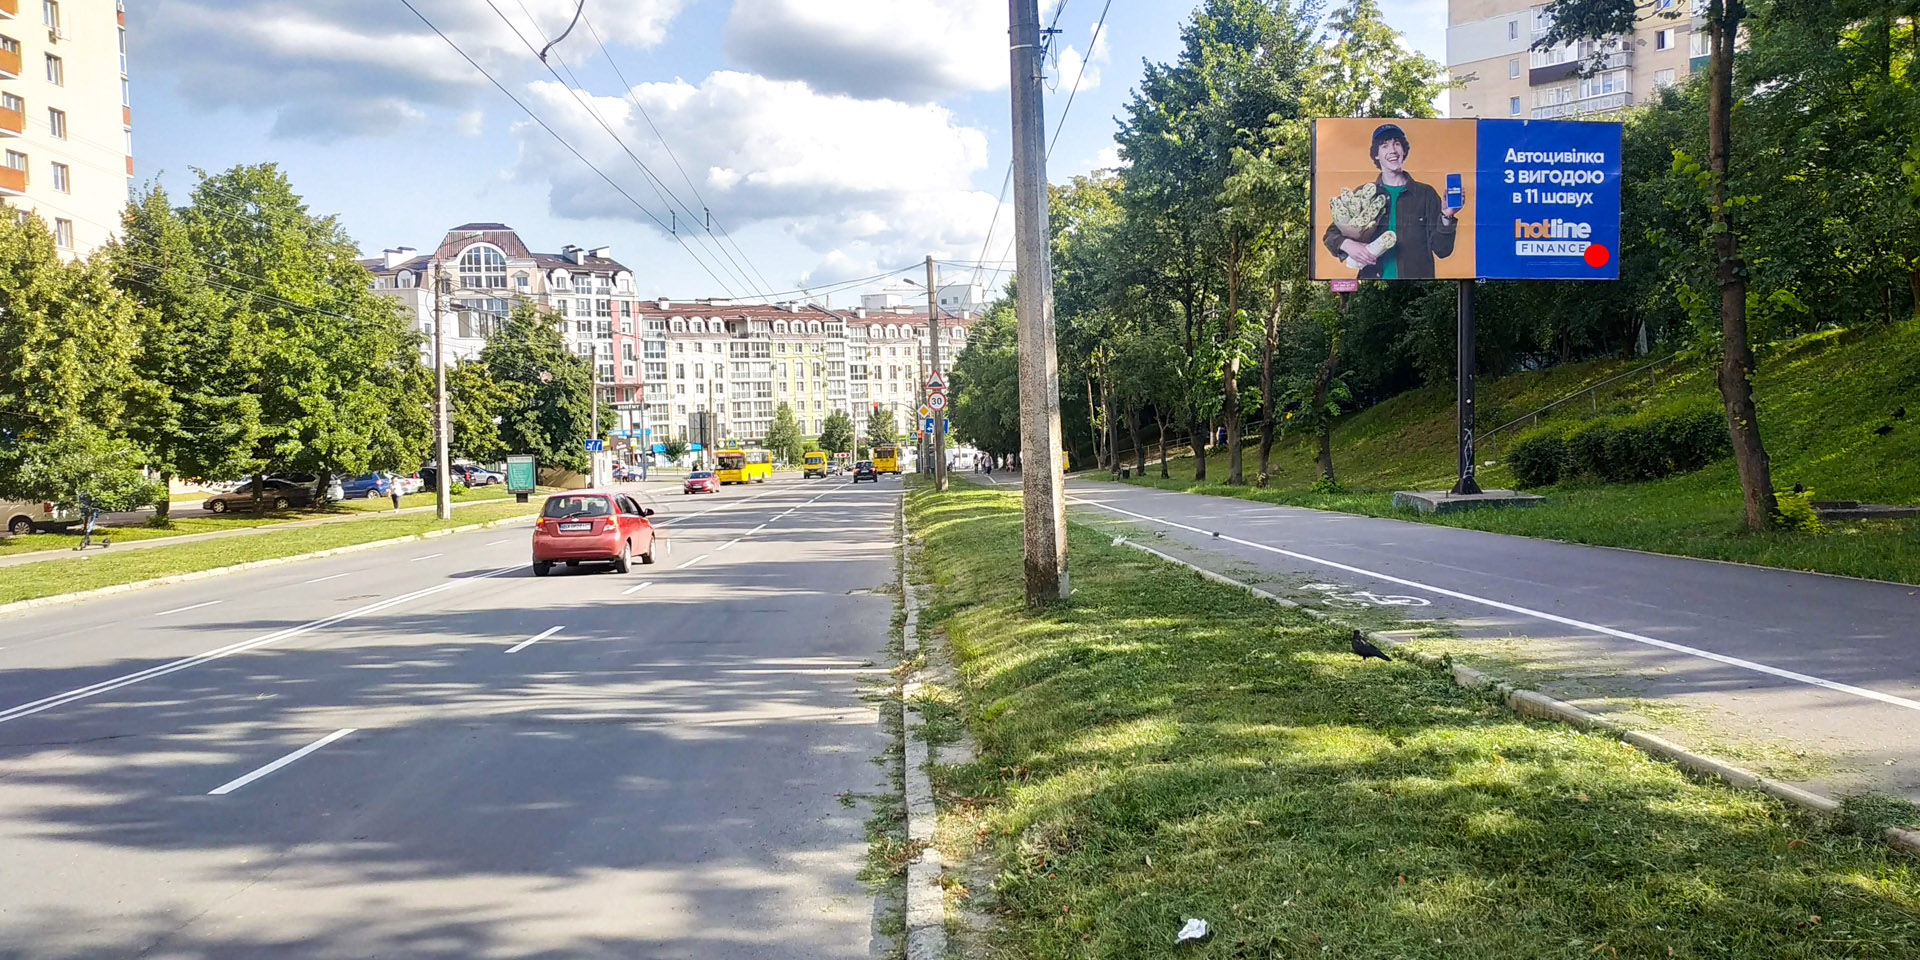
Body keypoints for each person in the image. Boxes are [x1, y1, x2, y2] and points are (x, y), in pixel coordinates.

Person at [1322, 123, 1461, 280]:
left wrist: (1447, 215)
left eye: (1397, 144)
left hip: (1415, 287)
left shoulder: (1425, 194)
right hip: (1372, 285)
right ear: (1376, 154)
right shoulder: (1365, 193)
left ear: (1404, 150)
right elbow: (1330, 235)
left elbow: (1443, 250)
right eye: (1384, 146)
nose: (1392, 150)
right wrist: (1348, 245)